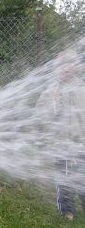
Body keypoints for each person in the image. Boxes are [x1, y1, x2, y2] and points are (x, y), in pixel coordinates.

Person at [35, 50, 85, 221]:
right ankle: (67, 210)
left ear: (76, 67)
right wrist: (55, 102)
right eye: (62, 65)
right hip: (61, 143)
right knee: (64, 178)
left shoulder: (82, 88)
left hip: (81, 142)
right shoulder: (51, 91)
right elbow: (42, 117)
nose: (66, 68)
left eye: (70, 64)